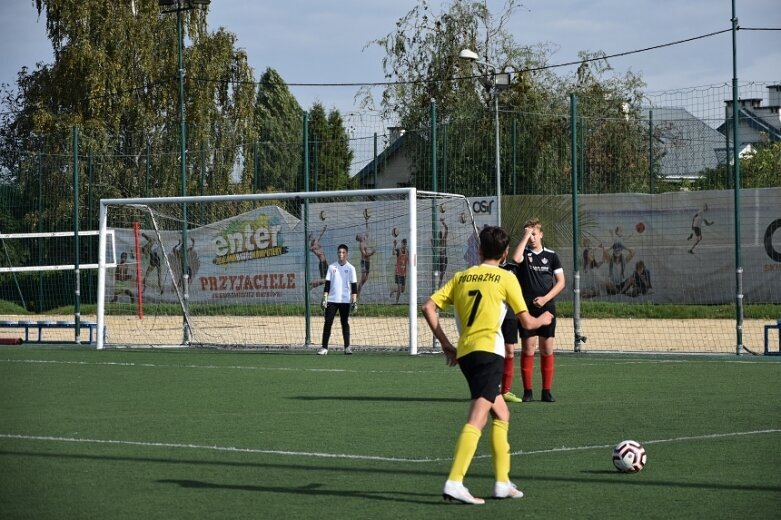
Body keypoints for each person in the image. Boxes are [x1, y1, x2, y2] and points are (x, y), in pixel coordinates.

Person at [422, 225, 553, 505]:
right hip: (489, 354)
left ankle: (502, 483)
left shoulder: (461, 277)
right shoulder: (506, 277)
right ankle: (455, 481)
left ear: (479, 250)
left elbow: (428, 307)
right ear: (505, 253)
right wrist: (544, 320)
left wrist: (446, 344)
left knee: (502, 414)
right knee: (477, 418)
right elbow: (528, 322)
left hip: (467, 354)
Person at [511, 218, 565, 403]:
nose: (532, 237)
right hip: (526, 307)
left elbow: (561, 282)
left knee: (547, 348)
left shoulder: (551, 255)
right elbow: (515, 259)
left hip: (546, 307)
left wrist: (545, 299)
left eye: (534, 233)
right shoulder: (523, 254)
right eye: (529, 234)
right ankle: (528, 391)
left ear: (541, 234)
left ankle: (546, 391)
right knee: (528, 349)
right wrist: (525, 235)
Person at [319, 244, 358, 355]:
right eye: (339, 252)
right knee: (327, 323)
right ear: (337, 253)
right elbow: (327, 284)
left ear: (347, 254)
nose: (341, 254)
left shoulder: (351, 268)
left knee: (344, 323)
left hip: (345, 301)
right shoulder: (332, 267)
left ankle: (347, 347)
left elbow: (354, 286)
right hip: (332, 300)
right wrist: (325, 298)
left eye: (343, 252)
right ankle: (324, 348)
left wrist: (354, 301)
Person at [499, 259, 522, 403]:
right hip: (493, 314)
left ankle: (505, 391)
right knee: (493, 352)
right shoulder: (487, 268)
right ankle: (492, 389)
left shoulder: (513, 268)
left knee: (509, 351)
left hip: (509, 315)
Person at [356, 220, 376, 296]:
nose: (361, 234)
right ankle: (358, 294)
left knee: (365, 279)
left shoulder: (365, 239)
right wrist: (372, 253)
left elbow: (367, 232)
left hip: (368, 262)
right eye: (359, 235)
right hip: (364, 262)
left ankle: (359, 290)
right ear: (359, 238)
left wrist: (366, 221)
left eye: (360, 234)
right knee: (363, 278)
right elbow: (365, 255)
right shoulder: (361, 245)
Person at [389, 238, 409, 304]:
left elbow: (408, 261)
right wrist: (394, 245)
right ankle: (396, 302)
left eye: (405, 244)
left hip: (404, 273)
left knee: (402, 290)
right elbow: (392, 253)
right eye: (403, 244)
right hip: (398, 272)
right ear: (401, 243)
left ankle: (393, 290)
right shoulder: (398, 250)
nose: (404, 245)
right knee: (400, 289)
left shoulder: (407, 251)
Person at [432, 218, 449, 287]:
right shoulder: (437, 243)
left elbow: (447, 229)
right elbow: (434, 250)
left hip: (444, 259)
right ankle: (436, 285)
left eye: (440, 234)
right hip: (440, 259)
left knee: (442, 274)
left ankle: (438, 286)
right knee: (436, 271)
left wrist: (443, 222)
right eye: (440, 235)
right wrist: (432, 244)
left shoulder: (444, 240)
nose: (440, 236)